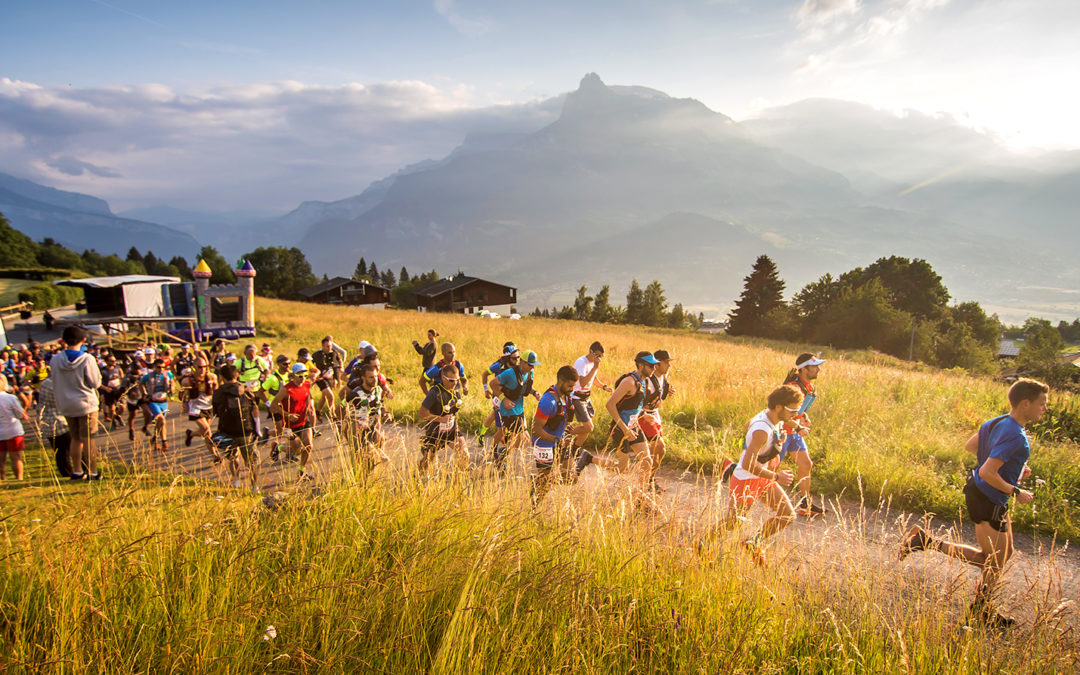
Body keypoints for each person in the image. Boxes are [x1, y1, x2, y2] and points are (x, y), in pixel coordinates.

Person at [900, 378, 1049, 628]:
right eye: (1042, 403)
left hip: (986, 493)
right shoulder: (1016, 436)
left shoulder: (998, 422)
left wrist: (1014, 468)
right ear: (1025, 404)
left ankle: (981, 608)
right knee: (992, 560)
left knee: (1002, 555)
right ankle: (978, 608)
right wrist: (1016, 491)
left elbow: (972, 446)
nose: (1044, 408)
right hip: (988, 496)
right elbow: (990, 471)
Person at [699, 384, 804, 567]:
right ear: (779, 407)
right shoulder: (762, 431)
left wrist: (798, 426)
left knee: (787, 515)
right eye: (792, 410)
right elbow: (748, 464)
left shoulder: (769, 415)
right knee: (733, 522)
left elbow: (748, 424)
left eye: (797, 410)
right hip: (747, 478)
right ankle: (701, 545)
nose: (794, 414)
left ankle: (753, 542)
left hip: (762, 477)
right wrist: (776, 476)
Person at [574, 351, 657, 485]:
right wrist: (625, 430)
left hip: (634, 427)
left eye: (654, 366)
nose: (654, 368)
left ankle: (640, 497)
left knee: (647, 462)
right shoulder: (629, 382)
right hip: (620, 429)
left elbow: (631, 405)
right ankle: (588, 458)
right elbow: (610, 405)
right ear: (641, 365)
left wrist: (643, 415)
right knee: (622, 468)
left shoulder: (643, 381)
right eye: (651, 366)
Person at [49, 326, 102, 481]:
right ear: (83, 340)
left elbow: (55, 379)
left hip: (66, 404)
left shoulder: (56, 359)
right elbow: (95, 382)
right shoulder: (87, 359)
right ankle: (92, 471)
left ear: (64, 340)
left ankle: (77, 470)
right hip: (86, 403)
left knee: (75, 438)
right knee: (88, 438)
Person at [780, 352, 826, 517]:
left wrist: (804, 417)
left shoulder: (808, 387)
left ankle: (805, 503)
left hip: (794, 431)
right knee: (765, 469)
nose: (819, 370)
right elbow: (783, 415)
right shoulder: (793, 388)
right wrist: (799, 427)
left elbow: (799, 410)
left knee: (806, 464)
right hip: (782, 432)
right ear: (804, 369)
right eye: (815, 367)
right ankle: (733, 469)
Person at [529, 365, 581, 506]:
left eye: (573, 386)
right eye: (570, 386)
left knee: (572, 478)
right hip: (544, 445)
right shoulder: (547, 401)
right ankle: (533, 508)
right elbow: (536, 429)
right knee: (543, 487)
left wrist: (565, 426)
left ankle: (538, 480)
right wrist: (556, 439)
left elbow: (559, 417)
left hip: (559, 442)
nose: (572, 389)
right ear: (560, 380)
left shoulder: (565, 396)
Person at [211, 364, 262, 490]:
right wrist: (257, 429)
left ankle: (236, 481)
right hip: (247, 430)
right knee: (251, 460)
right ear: (237, 375)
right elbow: (255, 410)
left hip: (227, 431)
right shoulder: (247, 392)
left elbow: (216, 413)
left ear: (221, 377)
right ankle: (254, 487)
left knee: (232, 457)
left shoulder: (218, 393)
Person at [417, 363, 468, 476]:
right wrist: (440, 419)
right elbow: (421, 413)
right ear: (443, 378)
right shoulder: (434, 392)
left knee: (465, 455)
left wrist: (454, 425)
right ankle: (417, 479)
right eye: (451, 380)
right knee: (427, 460)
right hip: (435, 431)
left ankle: (458, 484)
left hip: (451, 430)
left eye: (457, 380)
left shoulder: (455, 391)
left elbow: (452, 412)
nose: (455, 383)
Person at [492, 349, 539, 470]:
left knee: (516, 443)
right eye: (530, 364)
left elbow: (526, 387)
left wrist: (535, 393)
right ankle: (501, 459)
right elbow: (493, 384)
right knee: (523, 435)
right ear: (522, 362)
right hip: (507, 411)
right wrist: (504, 399)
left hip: (519, 409)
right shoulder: (509, 373)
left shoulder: (530, 373)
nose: (532, 367)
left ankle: (502, 454)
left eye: (534, 365)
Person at [270, 363, 317, 481]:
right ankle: (278, 447)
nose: (303, 378)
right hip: (288, 426)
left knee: (308, 446)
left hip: (303, 421)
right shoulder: (286, 389)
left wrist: (309, 408)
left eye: (305, 375)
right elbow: (273, 406)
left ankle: (301, 472)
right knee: (295, 451)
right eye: (300, 376)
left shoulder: (307, 384)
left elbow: (306, 397)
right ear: (293, 376)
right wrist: (287, 415)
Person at [569, 342, 613, 463]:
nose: (598, 359)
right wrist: (595, 368)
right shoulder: (581, 362)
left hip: (586, 398)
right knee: (589, 427)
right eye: (597, 355)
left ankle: (574, 450)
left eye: (601, 357)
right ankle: (563, 432)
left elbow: (593, 378)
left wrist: (604, 387)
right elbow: (582, 382)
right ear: (590, 351)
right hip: (577, 398)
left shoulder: (593, 364)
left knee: (586, 429)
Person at [639, 350, 675, 493]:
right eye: (667, 362)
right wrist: (642, 412)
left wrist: (668, 392)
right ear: (658, 363)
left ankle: (650, 479)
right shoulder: (647, 378)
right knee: (657, 446)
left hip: (655, 415)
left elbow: (661, 394)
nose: (669, 366)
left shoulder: (663, 377)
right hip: (645, 416)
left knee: (661, 450)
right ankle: (645, 482)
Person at [340, 363, 388, 469]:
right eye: (371, 377)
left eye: (376, 376)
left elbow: (380, 403)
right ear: (363, 378)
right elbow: (341, 405)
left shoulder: (378, 390)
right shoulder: (356, 393)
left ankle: (366, 475)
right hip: (356, 430)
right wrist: (347, 422)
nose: (375, 380)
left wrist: (385, 412)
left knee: (380, 440)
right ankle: (357, 479)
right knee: (367, 455)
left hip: (370, 427)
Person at [478, 342, 519, 446]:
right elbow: (484, 374)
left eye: (518, 357)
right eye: (514, 358)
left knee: (493, 417)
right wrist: (486, 389)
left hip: (509, 398)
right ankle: (488, 441)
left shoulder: (517, 367)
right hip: (499, 397)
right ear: (508, 357)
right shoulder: (498, 365)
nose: (517, 360)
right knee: (501, 426)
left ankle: (495, 440)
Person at [182, 356, 219, 461]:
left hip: (207, 407)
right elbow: (184, 395)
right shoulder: (187, 380)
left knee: (205, 433)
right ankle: (214, 455)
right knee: (207, 430)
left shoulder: (212, 377)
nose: (202, 369)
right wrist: (185, 403)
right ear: (194, 367)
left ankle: (191, 433)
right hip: (195, 408)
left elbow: (216, 392)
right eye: (199, 367)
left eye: (204, 367)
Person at [37, 371, 72, 476]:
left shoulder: (45, 383)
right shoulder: (59, 385)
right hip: (61, 422)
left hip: (47, 422)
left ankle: (66, 472)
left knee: (59, 452)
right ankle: (83, 468)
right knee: (73, 447)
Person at [260, 354, 292, 461]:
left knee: (288, 430)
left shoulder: (290, 375)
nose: (287, 366)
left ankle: (268, 433)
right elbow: (260, 392)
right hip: (276, 407)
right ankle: (280, 448)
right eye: (285, 364)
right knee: (281, 431)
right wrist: (268, 404)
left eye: (289, 363)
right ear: (278, 364)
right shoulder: (273, 378)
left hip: (288, 406)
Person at [141, 358, 174, 452]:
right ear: (154, 367)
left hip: (163, 401)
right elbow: (140, 383)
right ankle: (164, 441)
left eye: (163, 367)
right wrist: (144, 394)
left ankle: (154, 440)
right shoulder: (148, 376)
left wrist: (172, 388)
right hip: (152, 401)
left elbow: (172, 382)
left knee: (160, 423)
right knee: (162, 420)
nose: (161, 369)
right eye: (159, 367)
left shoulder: (168, 374)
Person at [0, 374, 29, 480]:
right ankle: (19, 478)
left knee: (1, 459)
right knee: (16, 458)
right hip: (13, 430)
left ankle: (2, 478)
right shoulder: (10, 398)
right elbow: (20, 414)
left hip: (0, 432)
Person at [311, 335, 346, 418]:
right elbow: (310, 365)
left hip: (329, 377)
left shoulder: (334, 353)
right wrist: (314, 374)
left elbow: (338, 363)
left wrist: (337, 378)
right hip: (320, 378)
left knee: (324, 396)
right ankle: (333, 415)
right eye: (327, 346)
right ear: (322, 346)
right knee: (330, 396)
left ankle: (318, 411)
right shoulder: (316, 355)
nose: (329, 348)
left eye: (330, 346)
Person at [97, 353, 125, 430]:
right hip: (109, 392)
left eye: (115, 360)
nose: (114, 362)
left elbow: (122, 376)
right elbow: (98, 383)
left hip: (118, 390)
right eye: (112, 361)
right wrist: (105, 388)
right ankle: (113, 422)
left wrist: (123, 384)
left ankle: (117, 416)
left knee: (122, 407)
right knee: (111, 409)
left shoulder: (117, 367)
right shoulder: (103, 371)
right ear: (106, 361)